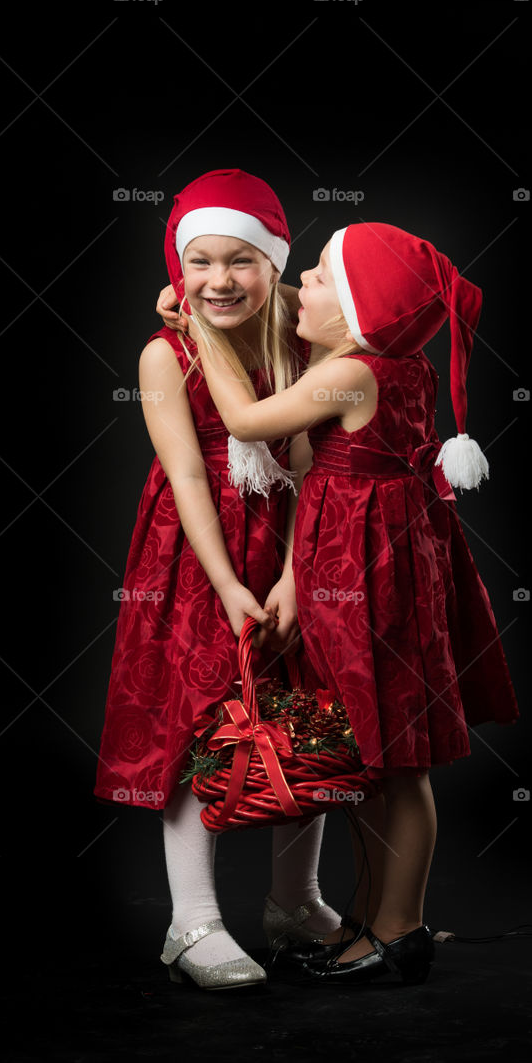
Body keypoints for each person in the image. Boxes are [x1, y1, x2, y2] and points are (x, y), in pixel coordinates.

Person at [189, 222, 521, 985]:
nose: (301, 281)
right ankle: (371, 923)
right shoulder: (385, 363)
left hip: (368, 579)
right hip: (372, 570)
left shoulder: (355, 373)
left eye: (317, 276)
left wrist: (201, 328)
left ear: (359, 310)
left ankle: (398, 929)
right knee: (373, 753)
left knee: (395, 762)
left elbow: (244, 422)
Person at [94, 169, 345, 990]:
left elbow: (311, 470)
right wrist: (232, 583)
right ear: (177, 270)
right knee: (197, 719)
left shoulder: (301, 345)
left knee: (301, 712)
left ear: (274, 262)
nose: (218, 281)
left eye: (239, 261)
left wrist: (295, 581)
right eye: (198, 263)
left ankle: (293, 900)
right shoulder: (164, 354)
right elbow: (189, 479)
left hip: (289, 548)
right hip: (196, 552)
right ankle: (192, 919)